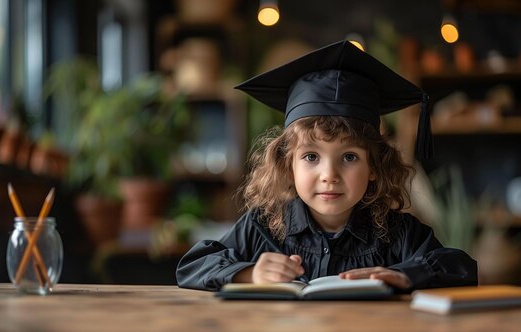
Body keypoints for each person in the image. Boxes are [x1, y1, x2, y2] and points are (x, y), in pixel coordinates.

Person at [176, 40, 477, 291]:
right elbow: (192, 265)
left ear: (374, 166)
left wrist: (406, 275)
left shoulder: (397, 233)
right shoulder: (262, 226)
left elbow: (461, 268)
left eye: (349, 157)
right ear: (287, 164)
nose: (329, 175)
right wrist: (248, 274)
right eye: (311, 157)